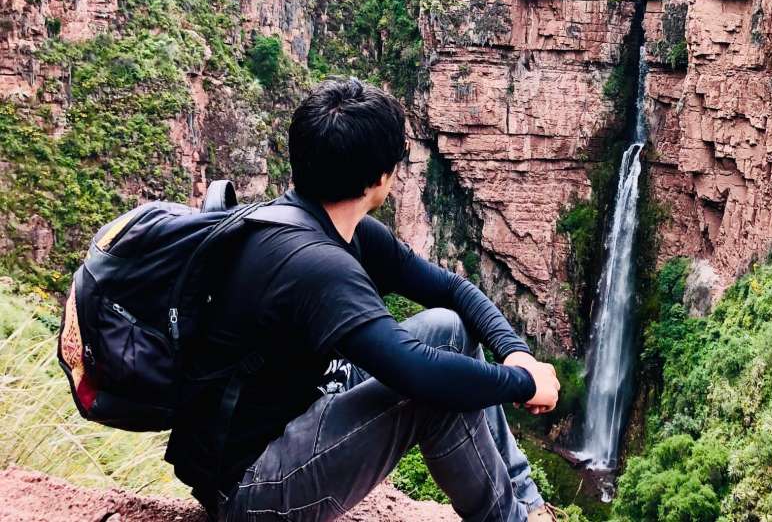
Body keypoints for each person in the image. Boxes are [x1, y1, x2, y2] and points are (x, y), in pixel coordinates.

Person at [165, 77, 562, 522]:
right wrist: (524, 384)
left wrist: (516, 353)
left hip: (291, 421)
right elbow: (417, 373)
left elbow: (453, 290)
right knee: (433, 392)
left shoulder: (325, 225)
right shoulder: (316, 265)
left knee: (449, 328)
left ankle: (528, 503)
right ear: (381, 177)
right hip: (248, 490)